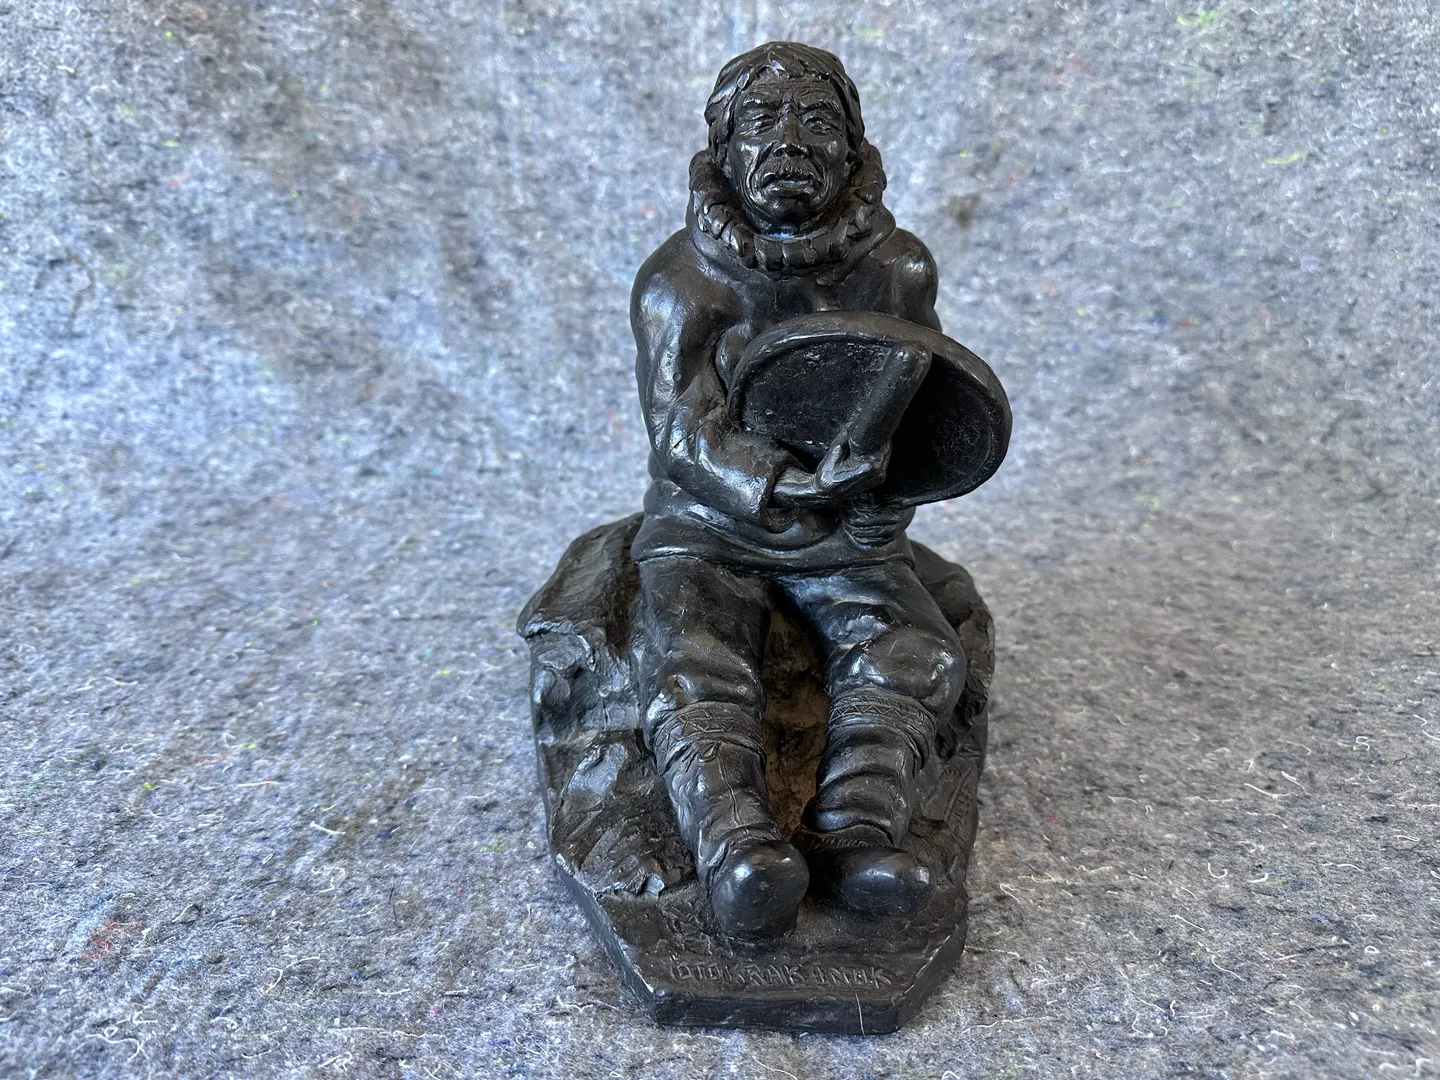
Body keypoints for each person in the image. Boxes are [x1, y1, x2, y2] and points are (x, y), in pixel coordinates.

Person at [628, 42, 966, 939]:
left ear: (852, 148)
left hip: (845, 532)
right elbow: (682, 432)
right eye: (762, 121)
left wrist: (890, 495)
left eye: (818, 121)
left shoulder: (896, 271)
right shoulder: (681, 282)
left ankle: (856, 831)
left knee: (914, 650)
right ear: (724, 149)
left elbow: (923, 398)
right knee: (692, 651)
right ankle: (733, 844)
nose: (789, 141)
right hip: (711, 525)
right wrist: (784, 481)